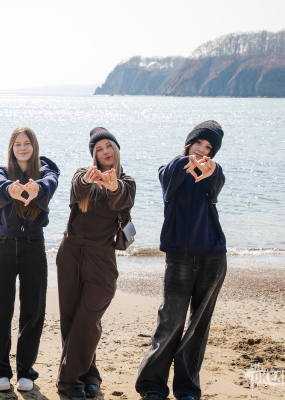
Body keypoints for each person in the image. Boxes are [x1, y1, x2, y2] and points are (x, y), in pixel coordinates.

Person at [135, 120, 226, 400]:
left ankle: (187, 388)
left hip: (212, 256)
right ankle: (152, 385)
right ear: (188, 144)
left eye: (208, 147)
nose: (201, 150)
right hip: (179, 259)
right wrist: (186, 160)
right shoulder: (171, 169)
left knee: (199, 325)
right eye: (198, 143)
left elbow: (216, 185)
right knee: (170, 320)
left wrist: (212, 170)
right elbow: (167, 178)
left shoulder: (211, 172)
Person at [56, 127, 136, 400]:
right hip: (71, 251)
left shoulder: (126, 181)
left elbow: (123, 199)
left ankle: (69, 380)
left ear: (116, 148)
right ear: (94, 154)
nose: (105, 151)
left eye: (108, 146)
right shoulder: (82, 174)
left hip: (102, 257)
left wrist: (112, 186)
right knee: (71, 317)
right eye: (99, 148)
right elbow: (75, 191)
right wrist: (87, 180)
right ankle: (88, 376)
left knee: (89, 318)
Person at [0, 127, 59, 392]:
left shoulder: (46, 171)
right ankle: (0, 371)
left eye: (27, 143)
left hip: (34, 245)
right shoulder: (2, 171)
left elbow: (51, 181)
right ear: (11, 148)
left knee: (33, 310)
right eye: (17, 144)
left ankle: (25, 370)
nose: (23, 148)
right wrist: (11, 189)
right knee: (0, 309)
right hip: (3, 244)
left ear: (34, 146)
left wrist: (37, 187)